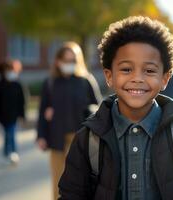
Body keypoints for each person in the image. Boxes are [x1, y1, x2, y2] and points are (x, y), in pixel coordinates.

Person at [58, 16, 173, 200]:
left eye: (149, 70)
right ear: (109, 76)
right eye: (126, 69)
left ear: (165, 78)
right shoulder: (88, 140)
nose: (137, 78)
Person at [36, 41, 102, 200]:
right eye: (66, 60)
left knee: (80, 180)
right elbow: (42, 111)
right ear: (58, 61)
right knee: (58, 180)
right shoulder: (50, 83)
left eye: (73, 60)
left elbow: (98, 108)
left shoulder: (86, 80)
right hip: (56, 138)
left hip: (80, 139)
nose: (69, 64)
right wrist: (41, 136)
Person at [0, 59, 26, 165]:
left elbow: (22, 101)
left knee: (11, 133)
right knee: (8, 133)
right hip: (3, 116)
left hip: (14, 115)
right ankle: (8, 151)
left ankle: (12, 152)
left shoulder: (17, 84)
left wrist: (22, 115)